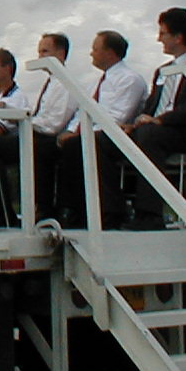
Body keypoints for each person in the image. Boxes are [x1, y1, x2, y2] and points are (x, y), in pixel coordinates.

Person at [116, 8, 186, 231]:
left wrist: (161, 120)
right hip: (155, 129)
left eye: (163, 33)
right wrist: (134, 123)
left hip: (185, 131)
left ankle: (150, 214)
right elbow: (151, 105)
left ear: (178, 37)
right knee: (109, 138)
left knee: (149, 135)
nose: (159, 39)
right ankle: (111, 211)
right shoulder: (162, 71)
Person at [0, 34, 79, 222]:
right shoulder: (53, 82)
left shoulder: (65, 83)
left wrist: (22, 121)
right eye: (39, 52)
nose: (40, 56)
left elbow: (53, 125)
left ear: (60, 54)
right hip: (37, 134)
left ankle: (20, 209)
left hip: (48, 138)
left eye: (45, 51)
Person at [55, 30, 147, 227]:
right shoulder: (95, 83)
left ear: (110, 53)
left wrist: (85, 134)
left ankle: (111, 210)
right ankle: (76, 209)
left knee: (85, 144)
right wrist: (71, 130)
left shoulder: (130, 79)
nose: (91, 53)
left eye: (95, 49)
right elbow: (82, 111)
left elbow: (118, 116)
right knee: (69, 145)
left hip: (119, 135)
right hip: (94, 133)